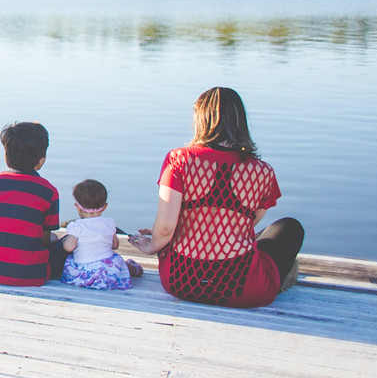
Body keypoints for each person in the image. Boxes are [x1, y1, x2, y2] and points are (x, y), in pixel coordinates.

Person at [129, 87, 305, 308]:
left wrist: (153, 244)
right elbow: (249, 222)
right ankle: (280, 277)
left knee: (173, 236)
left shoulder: (179, 160)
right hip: (243, 288)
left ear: (201, 119)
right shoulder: (263, 171)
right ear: (241, 121)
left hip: (181, 281)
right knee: (289, 227)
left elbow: (165, 229)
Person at [0, 121, 62, 286]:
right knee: (61, 244)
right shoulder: (49, 191)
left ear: (6, 155)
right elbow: (44, 240)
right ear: (41, 159)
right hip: (30, 274)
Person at [59, 179, 142, 290]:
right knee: (117, 259)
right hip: (107, 271)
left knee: (70, 260)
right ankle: (132, 268)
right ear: (105, 206)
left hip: (84, 273)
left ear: (77, 207)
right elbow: (115, 246)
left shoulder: (76, 226)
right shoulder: (110, 223)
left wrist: (65, 241)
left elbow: (69, 247)